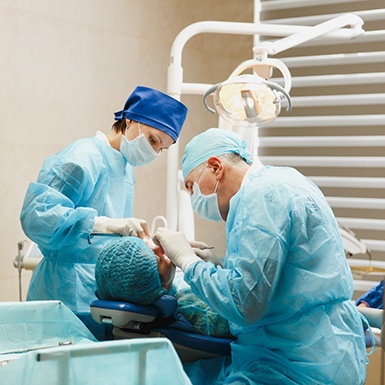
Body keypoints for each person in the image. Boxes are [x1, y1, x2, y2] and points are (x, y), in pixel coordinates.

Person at [152, 128, 367, 385]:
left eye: (191, 187)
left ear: (215, 167)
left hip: (295, 366)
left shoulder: (261, 197)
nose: (193, 198)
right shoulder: (283, 181)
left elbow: (246, 303)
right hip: (324, 352)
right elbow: (281, 278)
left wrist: (188, 261)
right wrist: (218, 267)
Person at [19, 86, 188, 340]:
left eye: (161, 148)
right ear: (130, 120)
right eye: (153, 140)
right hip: (63, 288)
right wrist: (107, 225)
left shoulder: (124, 165)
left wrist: (146, 243)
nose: (154, 152)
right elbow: (38, 217)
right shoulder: (84, 156)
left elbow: (108, 237)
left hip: (99, 294)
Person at [95, 236, 232, 338]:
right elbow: (242, 313)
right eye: (159, 259)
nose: (159, 249)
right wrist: (217, 272)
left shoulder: (136, 291)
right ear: (160, 284)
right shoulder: (192, 308)